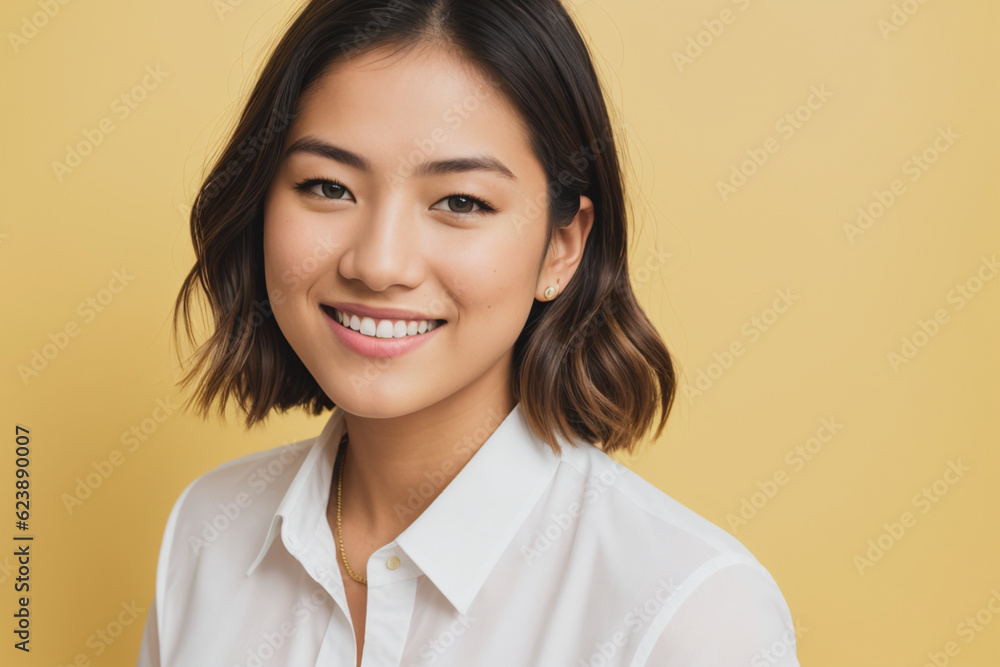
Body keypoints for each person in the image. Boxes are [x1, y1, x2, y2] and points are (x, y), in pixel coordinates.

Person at [137, 0, 801, 665]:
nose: (379, 262)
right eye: (329, 187)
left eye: (461, 201)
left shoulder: (692, 616)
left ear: (561, 246)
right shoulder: (207, 534)